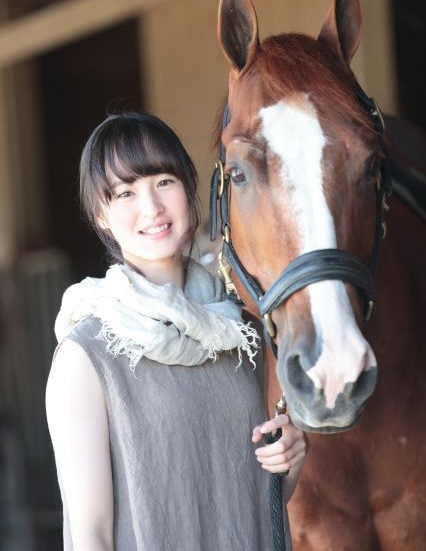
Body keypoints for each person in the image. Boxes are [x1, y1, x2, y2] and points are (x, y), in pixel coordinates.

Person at [46, 112, 307, 551]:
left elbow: (250, 509)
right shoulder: (87, 356)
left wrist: (290, 462)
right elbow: (90, 536)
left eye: (163, 182)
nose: (152, 208)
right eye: (125, 192)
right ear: (101, 216)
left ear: (188, 187)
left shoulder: (240, 333)